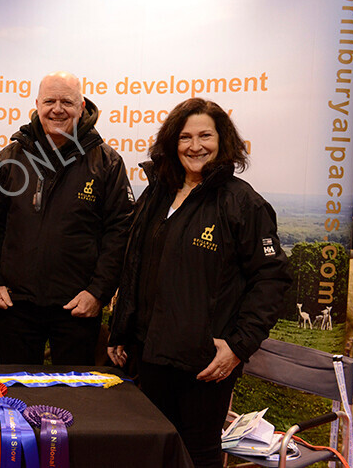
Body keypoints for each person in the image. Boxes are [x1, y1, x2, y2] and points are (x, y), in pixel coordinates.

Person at [107, 97, 291, 468]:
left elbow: (272, 279)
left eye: (205, 135)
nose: (195, 146)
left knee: (197, 453)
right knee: (152, 447)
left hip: (204, 362)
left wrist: (238, 346)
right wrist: (121, 331)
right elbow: (135, 265)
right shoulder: (156, 193)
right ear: (171, 143)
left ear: (223, 141)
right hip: (148, 353)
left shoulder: (242, 203)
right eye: (185, 137)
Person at [0, 71, 134, 365]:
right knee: (16, 396)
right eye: (50, 101)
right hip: (16, 305)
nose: (57, 109)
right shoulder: (11, 158)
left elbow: (119, 233)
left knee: (75, 399)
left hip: (77, 308)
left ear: (82, 107)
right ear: (37, 104)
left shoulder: (107, 163)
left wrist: (97, 292)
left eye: (67, 101)